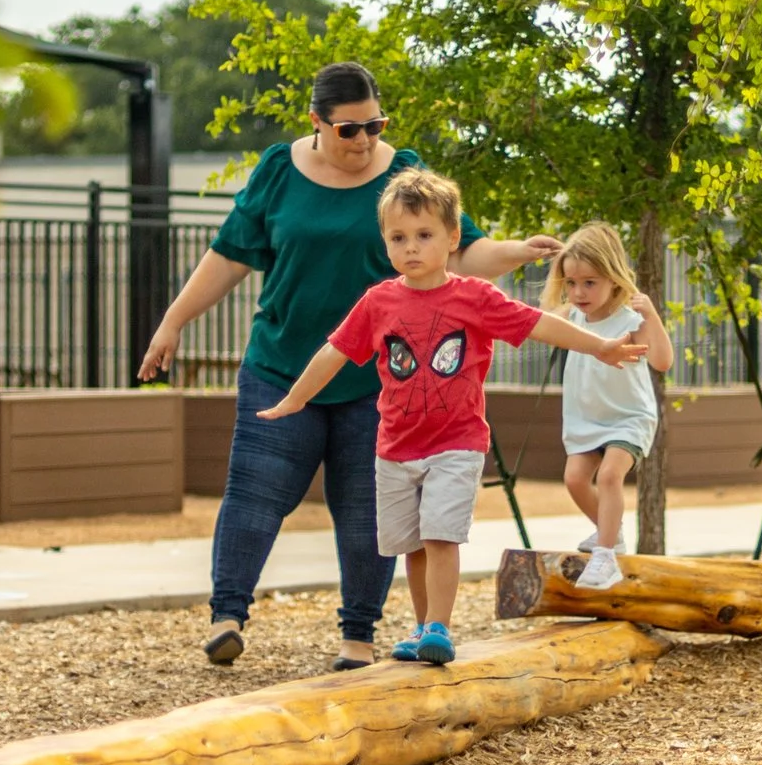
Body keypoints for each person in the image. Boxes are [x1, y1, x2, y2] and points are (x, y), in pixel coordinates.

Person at [137, 62, 562, 671]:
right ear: (316, 122)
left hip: (377, 383)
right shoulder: (279, 172)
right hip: (284, 365)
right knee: (256, 496)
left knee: (366, 512)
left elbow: (467, 250)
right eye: (348, 130)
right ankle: (227, 616)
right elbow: (229, 256)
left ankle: (356, 638)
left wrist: (520, 250)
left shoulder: (404, 176)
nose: (363, 140)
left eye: (374, 125)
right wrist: (172, 321)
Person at [261, 171, 646, 666]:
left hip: (456, 442)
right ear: (384, 242)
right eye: (398, 238)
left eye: (424, 235)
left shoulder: (473, 297)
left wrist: (602, 347)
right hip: (396, 447)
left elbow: (536, 324)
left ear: (452, 238)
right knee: (412, 545)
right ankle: (423, 627)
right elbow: (334, 352)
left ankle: (439, 627)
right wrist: (296, 399)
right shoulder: (378, 302)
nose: (411, 247)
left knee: (440, 534)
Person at [543, 222, 676, 589]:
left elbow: (663, 362)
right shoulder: (572, 317)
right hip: (587, 420)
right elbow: (534, 324)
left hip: (627, 418)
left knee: (609, 476)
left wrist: (652, 315)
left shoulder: (630, 319)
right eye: (571, 283)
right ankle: (611, 534)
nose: (578, 291)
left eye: (590, 282)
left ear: (614, 279)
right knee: (574, 479)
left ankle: (605, 556)